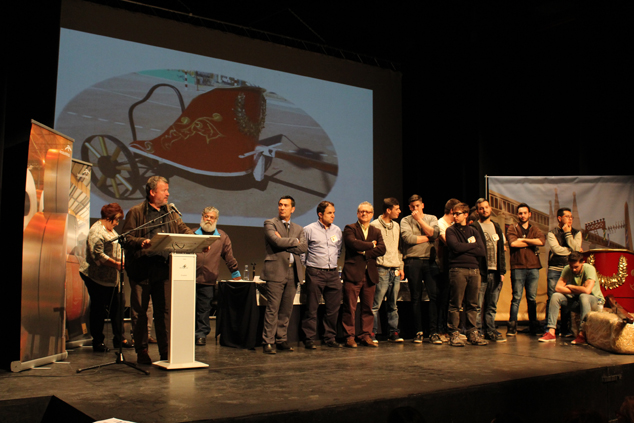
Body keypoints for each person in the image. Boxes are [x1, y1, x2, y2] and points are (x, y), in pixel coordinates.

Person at [122, 176, 194, 364]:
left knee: (164, 313)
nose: (168, 194)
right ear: (152, 192)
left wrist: (197, 241)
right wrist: (142, 242)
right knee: (140, 312)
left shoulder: (170, 212)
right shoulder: (136, 212)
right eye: (164, 190)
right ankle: (142, 351)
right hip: (141, 270)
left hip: (163, 270)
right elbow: (126, 238)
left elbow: (183, 229)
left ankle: (165, 352)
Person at [79, 203, 131, 352]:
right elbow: (98, 255)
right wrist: (116, 264)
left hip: (112, 278)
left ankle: (119, 339)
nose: (117, 223)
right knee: (99, 309)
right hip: (97, 277)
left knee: (118, 308)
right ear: (109, 217)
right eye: (116, 219)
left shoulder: (111, 230)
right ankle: (98, 341)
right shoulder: (96, 231)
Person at [261, 196, 308, 354]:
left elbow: (303, 248)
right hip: (275, 271)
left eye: (286, 205)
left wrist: (286, 241)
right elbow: (275, 241)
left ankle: (281, 339)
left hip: (293, 271)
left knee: (286, 309)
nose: (282, 208)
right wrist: (294, 242)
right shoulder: (270, 223)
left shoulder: (299, 228)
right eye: (280, 204)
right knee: (272, 308)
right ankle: (268, 341)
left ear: (292, 209)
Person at [194, 206, 241, 346]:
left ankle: (201, 335)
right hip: (189, 278)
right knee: (188, 308)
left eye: (212, 217)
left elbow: (229, 257)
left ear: (216, 220)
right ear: (202, 217)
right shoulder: (192, 233)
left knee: (204, 309)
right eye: (206, 216)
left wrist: (236, 274)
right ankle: (186, 333)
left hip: (208, 280)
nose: (208, 220)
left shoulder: (221, 237)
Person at [342, 202, 386, 348]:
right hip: (353, 274)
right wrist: (372, 245)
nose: (364, 214)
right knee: (350, 308)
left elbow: (382, 249)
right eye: (361, 211)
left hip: (370, 275)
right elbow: (353, 244)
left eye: (367, 212)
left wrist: (366, 252)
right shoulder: (350, 228)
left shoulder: (376, 231)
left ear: (372, 214)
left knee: (368, 308)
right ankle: (349, 336)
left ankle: (365, 335)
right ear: (357, 213)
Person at [302, 201, 343, 349]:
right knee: (312, 308)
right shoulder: (308, 229)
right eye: (329, 213)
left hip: (333, 273)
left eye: (333, 213)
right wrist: (309, 267)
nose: (333, 216)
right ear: (320, 214)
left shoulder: (337, 230)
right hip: (315, 272)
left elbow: (338, 250)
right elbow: (302, 252)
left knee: (333, 309)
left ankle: (329, 338)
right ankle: (309, 338)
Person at [539, 251, 604, 344]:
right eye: (571, 266)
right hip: (579, 301)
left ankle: (582, 334)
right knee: (555, 296)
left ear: (582, 262)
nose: (573, 269)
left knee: (584, 296)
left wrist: (571, 287)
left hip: (595, 302)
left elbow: (587, 291)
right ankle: (551, 332)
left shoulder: (589, 269)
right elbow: (558, 288)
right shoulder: (567, 269)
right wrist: (579, 289)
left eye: (576, 267)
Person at [445, 202, 486, 347]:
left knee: (472, 303)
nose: (455, 216)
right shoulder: (450, 231)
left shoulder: (473, 231)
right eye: (454, 214)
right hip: (458, 270)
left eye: (458, 214)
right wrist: (473, 246)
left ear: (466, 215)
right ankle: (454, 333)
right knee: (456, 304)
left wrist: (465, 248)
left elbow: (482, 251)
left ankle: (472, 332)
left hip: (474, 270)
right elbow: (455, 247)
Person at [400, 194, 440, 343]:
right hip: (413, 261)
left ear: (422, 205)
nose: (415, 209)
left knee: (434, 296)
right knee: (415, 297)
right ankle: (418, 331)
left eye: (417, 205)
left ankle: (433, 332)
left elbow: (435, 233)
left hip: (430, 261)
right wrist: (429, 237)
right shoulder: (405, 220)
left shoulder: (431, 218)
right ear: (409, 207)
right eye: (412, 206)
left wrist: (420, 221)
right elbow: (408, 239)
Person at [506, 203, 545, 336]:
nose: (522, 215)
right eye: (520, 213)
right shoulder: (513, 228)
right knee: (516, 297)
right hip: (518, 267)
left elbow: (541, 241)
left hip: (533, 267)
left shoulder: (535, 229)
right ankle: (512, 326)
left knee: (531, 298)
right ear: (517, 215)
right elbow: (513, 243)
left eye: (525, 213)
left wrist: (523, 240)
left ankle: (533, 326)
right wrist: (531, 241)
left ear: (529, 214)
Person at [471, 198, 507, 342]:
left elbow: (501, 250)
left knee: (492, 304)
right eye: (481, 208)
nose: (484, 210)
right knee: (478, 305)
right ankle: (478, 331)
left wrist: (502, 271)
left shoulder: (496, 226)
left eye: (486, 207)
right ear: (477, 211)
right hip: (481, 272)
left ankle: (490, 330)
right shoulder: (474, 227)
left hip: (496, 271)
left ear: (490, 208)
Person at [370, 198, 404, 343]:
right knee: (376, 304)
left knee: (393, 304)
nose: (399, 211)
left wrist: (400, 266)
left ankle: (393, 332)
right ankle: (372, 332)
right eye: (397, 209)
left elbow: (398, 248)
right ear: (388, 210)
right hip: (381, 269)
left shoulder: (396, 226)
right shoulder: (374, 225)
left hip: (395, 269)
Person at [546, 207, 583, 336]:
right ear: (559, 218)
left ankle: (565, 328)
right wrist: (572, 251)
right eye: (567, 216)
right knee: (552, 297)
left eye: (571, 217)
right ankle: (550, 328)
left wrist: (567, 234)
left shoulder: (576, 233)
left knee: (567, 298)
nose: (570, 219)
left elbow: (576, 248)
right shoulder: (552, 233)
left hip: (569, 269)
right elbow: (556, 250)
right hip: (555, 269)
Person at [434, 198, 460, 343]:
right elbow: (450, 243)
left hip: (453, 266)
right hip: (443, 267)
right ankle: (441, 329)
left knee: (452, 300)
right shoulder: (441, 224)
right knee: (443, 300)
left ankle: (451, 329)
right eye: (457, 212)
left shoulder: (453, 225)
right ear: (452, 211)